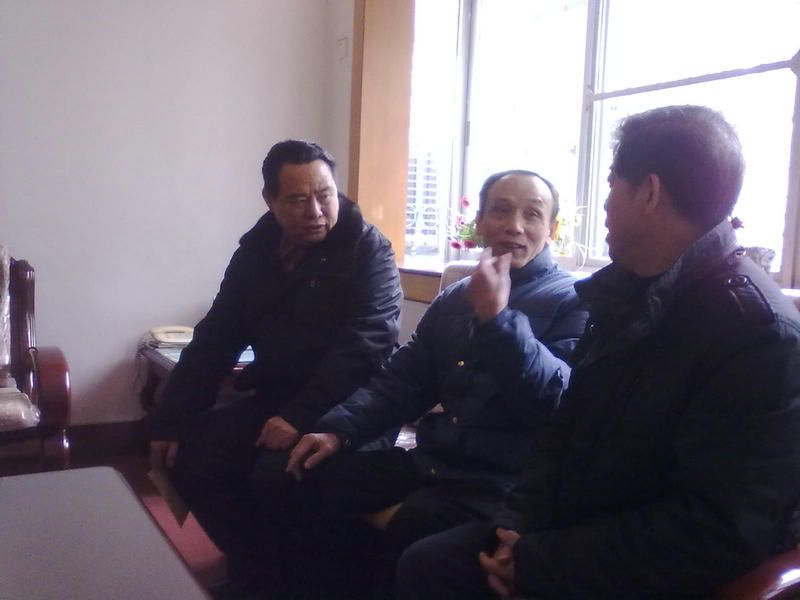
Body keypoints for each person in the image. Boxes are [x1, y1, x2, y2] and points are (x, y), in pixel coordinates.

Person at [395, 105, 800, 600]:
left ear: (648, 193)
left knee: (434, 567)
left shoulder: (756, 333)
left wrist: (541, 562)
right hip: (572, 528)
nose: (604, 206)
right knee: (428, 561)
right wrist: (515, 528)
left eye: (611, 185)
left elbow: (716, 531)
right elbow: (562, 433)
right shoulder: (627, 294)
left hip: (637, 564)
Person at [279, 169, 589, 597]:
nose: (515, 226)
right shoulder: (456, 297)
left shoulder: (575, 301)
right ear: (480, 222)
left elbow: (554, 401)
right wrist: (338, 429)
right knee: (309, 479)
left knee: (414, 534)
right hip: (434, 461)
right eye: (501, 211)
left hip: (503, 483)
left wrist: (498, 320)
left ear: (551, 229)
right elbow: (401, 380)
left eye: (532, 214)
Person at [148, 140, 402, 592]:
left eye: (325, 195)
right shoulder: (256, 253)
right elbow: (216, 337)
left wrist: (298, 417)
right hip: (279, 399)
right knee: (194, 457)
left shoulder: (369, 251)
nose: (316, 211)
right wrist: (172, 419)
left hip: (353, 407)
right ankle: (258, 572)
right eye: (298, 200)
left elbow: (362, 350)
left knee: (279, 473)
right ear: (270, 199)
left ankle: (291, 582)